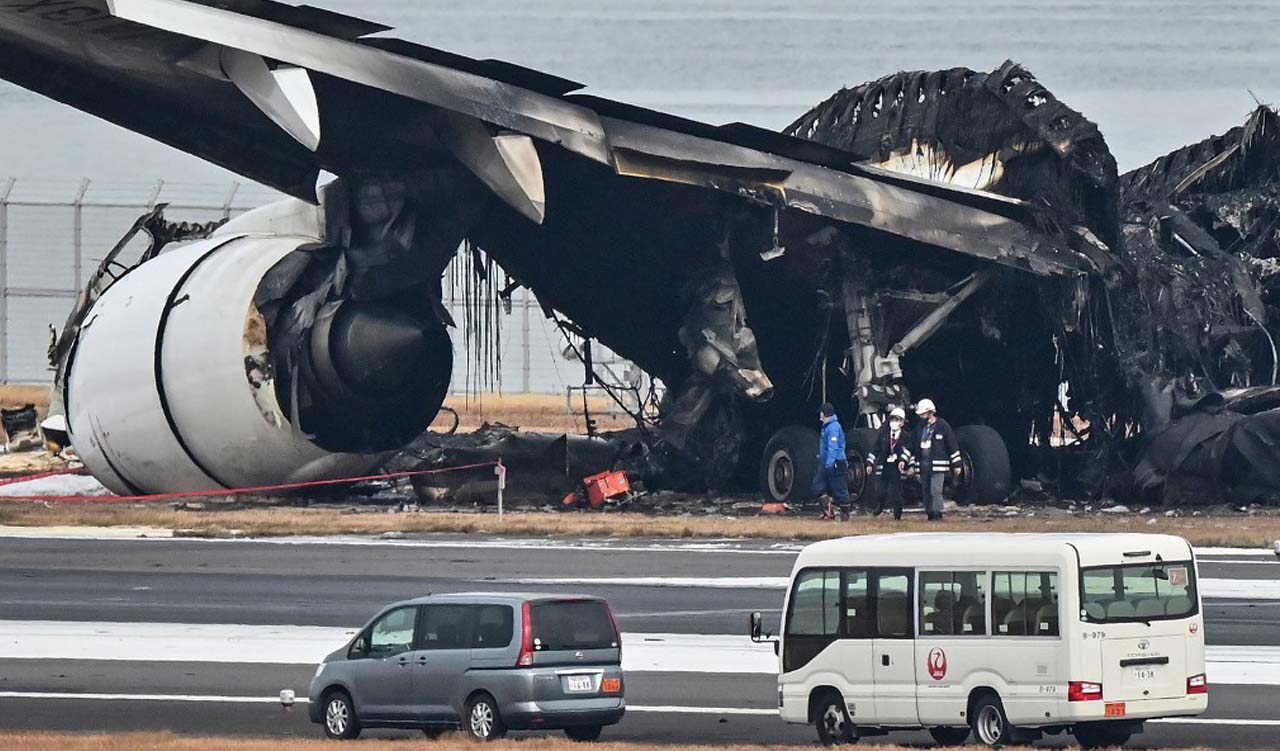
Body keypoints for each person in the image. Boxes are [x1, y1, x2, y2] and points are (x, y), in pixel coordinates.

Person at [914, 397, 961, 521]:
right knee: (926, 490)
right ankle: (929, 513)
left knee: (936, 490)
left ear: (930, 412)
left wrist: (957, 464)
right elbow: (914, 446)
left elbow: (952, 445)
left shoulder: (943, 426)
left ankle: (937, 513)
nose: (922, 417)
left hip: (938, 465)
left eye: (923, 414)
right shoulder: (919, 428)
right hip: (924, 464)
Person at [865, 406, 916, 520]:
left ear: (902, 422)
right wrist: (870, 463)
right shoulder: (884, 436)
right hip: (886, 465)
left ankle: (897, 515)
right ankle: (880, 505)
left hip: (898, 467)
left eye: (897, 420)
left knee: (896, 492)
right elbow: (875, 450)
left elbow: (909, 450)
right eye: (892, 419)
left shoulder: (906, 436)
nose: (894, 422)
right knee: (880, 489)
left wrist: (906, 462)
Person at [813, 402, 851, 521]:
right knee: (818, 486)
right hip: (826, 463)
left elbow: (833, 447)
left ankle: (845, 514)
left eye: (821, 413)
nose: (820, 415)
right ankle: (828, 511)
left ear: (824, 413)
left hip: (835, 463)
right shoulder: (827, 427)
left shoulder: (833, 428)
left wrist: (829, 463)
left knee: (839, 488)